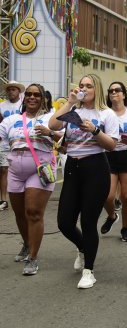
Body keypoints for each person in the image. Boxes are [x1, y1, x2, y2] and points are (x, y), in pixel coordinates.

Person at [49, 74, 119, 289]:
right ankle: (82, 248)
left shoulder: (107, 114)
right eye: (81, 86)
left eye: (88, 86)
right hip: (73, 167)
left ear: (96, 89)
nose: (84, 89)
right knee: (64, 222)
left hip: (96, 168)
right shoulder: (74, 111)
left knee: (88, 222)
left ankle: (89, 271)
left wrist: (96, 131)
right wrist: (70, 102)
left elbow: (112, 145)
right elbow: (52, 124)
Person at [0, 83, 60, 275]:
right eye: (29, 94)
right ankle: (27, 243)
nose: (32, 97)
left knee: (33, 212)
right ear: (25, 98)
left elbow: (61, 136)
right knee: (19, 214)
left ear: (43, 99)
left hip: (39, 169)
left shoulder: (49, 118)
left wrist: (50, 132)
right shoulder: (12, 120)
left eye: (37, 95)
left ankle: (33, 258)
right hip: (15, 170)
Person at [100, 82, 127, 242]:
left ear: (124, 94)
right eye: (111, 90)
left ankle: (125, 228)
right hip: (108, 156)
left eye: (117, 90)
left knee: (126, 198)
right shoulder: (103, 113)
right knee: (107, 196)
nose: (114, 93)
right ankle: (112, 216)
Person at [0, 81, 25, 211]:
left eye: (13, 89)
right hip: (4, 142)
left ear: (18, 91)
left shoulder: (23, 105)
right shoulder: (2, 106)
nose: (11, 92)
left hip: (20, 141)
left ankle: (22, 195)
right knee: (4, 170)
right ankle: (4, 200)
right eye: (9, 90)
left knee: (20, 168)